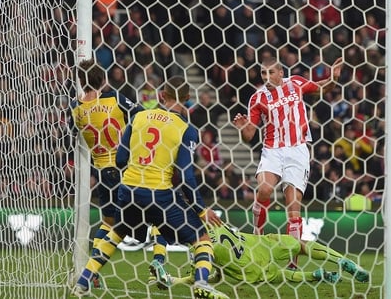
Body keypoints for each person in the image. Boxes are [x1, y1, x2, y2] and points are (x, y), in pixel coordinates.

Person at [73, 76, 227, 299]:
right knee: (201, 239)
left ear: (161, 96)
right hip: (159, 194)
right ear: (187, 99)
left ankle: (83, 282)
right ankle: (202, 282)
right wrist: (202, 211)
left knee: (116, 233)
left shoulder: (138, 117)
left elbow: (121, 159)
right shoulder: (187, 128)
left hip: (128, 189)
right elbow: (185, 176)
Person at [233, 54, 343, 268]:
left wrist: (334, 78)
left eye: (270, 72)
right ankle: (258, 237)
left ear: (281, 73)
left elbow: (321, 88)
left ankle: (292, 262)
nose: (266, 77)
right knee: (264, 189)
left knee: (293, 206)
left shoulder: (296, 83)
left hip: (298, 150)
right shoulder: (258, 98)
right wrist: (242, 127)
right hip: (272, 150)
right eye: (263, 73)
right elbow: (249, 135)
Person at [70, 60, 168, 290]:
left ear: (81, 82)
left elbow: (71, 135)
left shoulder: (76, 108)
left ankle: (91, 273)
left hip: (104, 172)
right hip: (128, 167)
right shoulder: (115, 98)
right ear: (102, 79)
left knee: (109, 223)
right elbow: (142, 116)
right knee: (158, 213)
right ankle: (159, 260)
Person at [163, 224, 370, 286]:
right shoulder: (210, 222)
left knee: (281, 276)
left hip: (249, 266)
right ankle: (341, 260)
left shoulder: (199, 247)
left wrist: (174, 280)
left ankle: (314, 276)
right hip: (257, 243)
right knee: (300, 245)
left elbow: (198, 277)